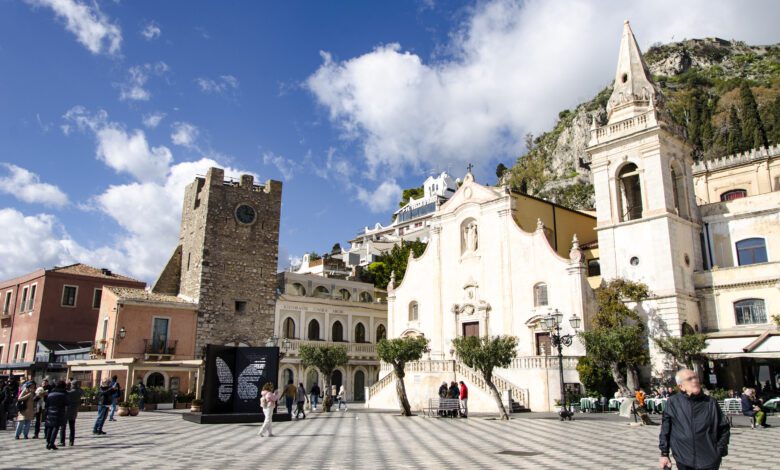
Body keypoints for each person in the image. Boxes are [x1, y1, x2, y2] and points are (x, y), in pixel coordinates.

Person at [659, 369, 730, 470]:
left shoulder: (710, 402)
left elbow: (724, 428)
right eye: (689, 379)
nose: (695, 381)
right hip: (684, 460)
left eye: (695, 377)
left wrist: (719, 450)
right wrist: (664, 454)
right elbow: (666, 430)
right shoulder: (673, 402)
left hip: (709, 460)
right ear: (681, 386)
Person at [44, 380, 68, 451]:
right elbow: (67, 403)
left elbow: (47, 403)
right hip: (59, 412)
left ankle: (48, 442)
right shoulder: (63, 395)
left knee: (50, 427)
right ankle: (51, 443)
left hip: (50, 412)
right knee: (56, 427)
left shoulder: (50, 394)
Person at [60, 380, 84, 446]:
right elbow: (82, 391)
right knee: (72, 427)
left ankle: (62, 441)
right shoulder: (79, 391)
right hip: (74, 411)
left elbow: (64, 392)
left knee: (63, 427)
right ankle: (71, 441)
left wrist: (66, 385)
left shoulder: (70, 392)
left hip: (66, 411)